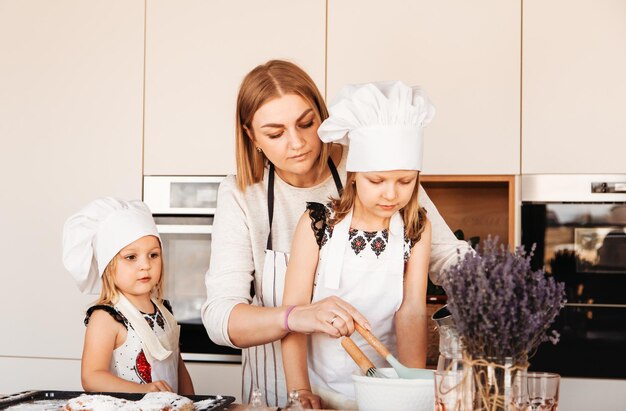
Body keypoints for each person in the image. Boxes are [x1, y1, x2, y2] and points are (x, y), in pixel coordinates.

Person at [202, 59, 471, 407]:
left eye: (306, 123)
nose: (297, 142)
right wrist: (295, 317)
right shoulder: (244, 195)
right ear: (251, 134)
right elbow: (221, 316)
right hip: (277, 395)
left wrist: (497, 288)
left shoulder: (372, 163)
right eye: (275, 133)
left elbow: (446, 255)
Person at [281, 81, 433, 409]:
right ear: (354, 175)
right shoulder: (317, 224)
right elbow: (294, 315)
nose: (391, 194)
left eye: (405, 181)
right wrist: (299, 392)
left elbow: (411, 312)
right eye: (377, 181)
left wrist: (412, 391)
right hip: (321, 390)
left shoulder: (416, 227)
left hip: (385, 393)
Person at [62, 198, 194, 395]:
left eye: (153, 255)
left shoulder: (164, 311)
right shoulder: (106, 317)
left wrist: (191, 402)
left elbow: (178, 367)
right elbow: (91, 377)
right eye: (131, 257)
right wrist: (143, 390)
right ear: (108, 266)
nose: (145, 265)